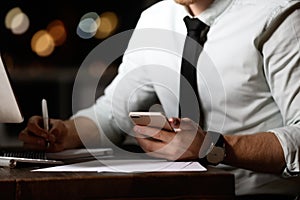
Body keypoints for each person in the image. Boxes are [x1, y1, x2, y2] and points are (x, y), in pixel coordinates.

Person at [19, 0, 300, 197]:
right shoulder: (155, 19)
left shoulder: (278, 13)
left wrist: (210, 147)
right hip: (175, 194)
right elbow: (113, 114)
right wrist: (65, 131)